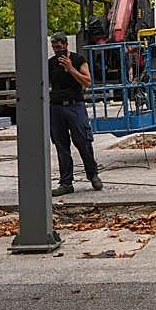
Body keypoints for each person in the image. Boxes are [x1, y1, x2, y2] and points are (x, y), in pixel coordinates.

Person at [48, 32, 103, 196]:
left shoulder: (78, 60)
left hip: (75, 106)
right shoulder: (50, 63)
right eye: (54, 48)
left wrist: (71, 68)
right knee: (61, 146)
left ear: (66, 45)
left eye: (59, 47)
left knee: (83, 142)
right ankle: (66, 182)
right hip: (56, 108)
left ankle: (93, 175)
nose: (57, 51)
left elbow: (87, 81)